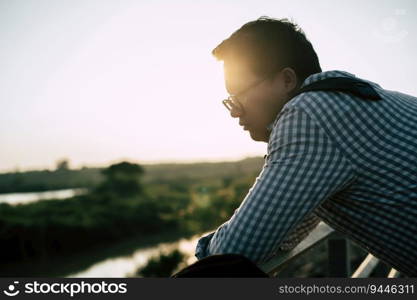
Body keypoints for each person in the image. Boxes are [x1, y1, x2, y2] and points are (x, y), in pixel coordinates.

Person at [176, 17, 417, 277]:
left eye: (238, 95)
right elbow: (289, 230)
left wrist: (202, 250)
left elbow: (235, 250)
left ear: (287, 80)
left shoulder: (309, 114)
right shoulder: (355, 97)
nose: (234, 111)